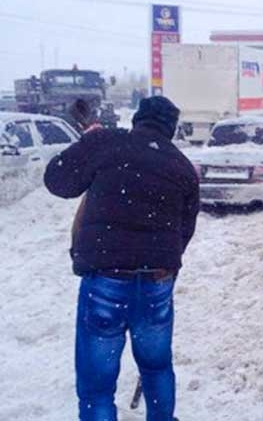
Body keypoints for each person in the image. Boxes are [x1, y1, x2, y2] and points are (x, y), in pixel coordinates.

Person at [44, 96, 199, 421]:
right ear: (171, 128)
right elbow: (184, 232)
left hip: (106, 280)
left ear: (137, 119)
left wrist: (87, 144)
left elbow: (57, 180)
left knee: (97, 385)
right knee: (157, 368)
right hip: (157, 282)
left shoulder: (108, 144)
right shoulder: (182, 167)